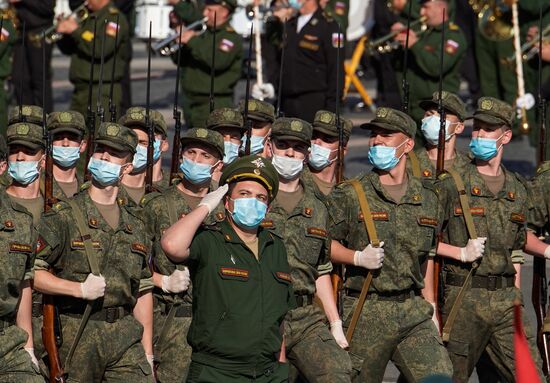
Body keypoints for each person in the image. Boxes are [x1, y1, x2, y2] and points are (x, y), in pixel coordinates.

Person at [327, 107, 453, 381]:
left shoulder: (429, 197)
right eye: (374, 135)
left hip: (412, 309)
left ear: (407, 144)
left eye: (387, 135)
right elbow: (326, 245)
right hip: (366, 309)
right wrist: (357, 257)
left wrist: (430, 304)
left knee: (439, 376)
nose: (377, 141)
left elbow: (427, 254)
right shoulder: (350, 193)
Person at [33, 122, 155, 381]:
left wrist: (147, 352)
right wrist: (77, 289)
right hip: (78, 332)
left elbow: (143, 289)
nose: (104, 157)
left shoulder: (137, 223)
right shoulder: (63, 216)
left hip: (124, 333)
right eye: (100, 151)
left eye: (113, 154)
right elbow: (33, 274)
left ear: (127, 168)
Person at [436, 97, 544, 382]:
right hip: (464, 298)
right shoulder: (450, 184)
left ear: (506, 136)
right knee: (450, 377)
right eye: (477, 129)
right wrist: (458, 252)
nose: (480, 135)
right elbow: (421, 240)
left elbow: (519, 244)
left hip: (507, 302)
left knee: (530, 377)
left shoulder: (518, 189)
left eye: (488, 130)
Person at [161, 154, 294, 382]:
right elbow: (172, 245)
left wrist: (280, 362)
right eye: (244, 194)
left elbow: (278, 316)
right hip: (217, 371)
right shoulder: (210, 240)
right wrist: (205, 206)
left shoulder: (276, 246)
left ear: (268, 207)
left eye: (261, 197)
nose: (253, 201)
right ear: (227, 201)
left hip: (268, 372)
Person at [264, 117, 352, 382]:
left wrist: (335, 323)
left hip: (304, 316)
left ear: (307, 153)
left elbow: (321, 269)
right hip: (261, 315)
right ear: (270, 147)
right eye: (282, 145)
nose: (290, 153)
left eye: (297, 147)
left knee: (337, 371)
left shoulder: (318, 206)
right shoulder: (253, 196)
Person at [141, 127, 225, 382]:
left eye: (205, 156)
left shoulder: (228, 204)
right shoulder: (156, 205)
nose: (196, 161)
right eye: (191, 153)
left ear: (217, 164)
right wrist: (162, 281)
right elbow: (134, 266)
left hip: (219, 322)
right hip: (171, 322)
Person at [0, 133, 43, 382]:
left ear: (3, 167)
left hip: (7, 337)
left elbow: (24, 283)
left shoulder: (21, 221)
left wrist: (28, 346)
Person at [264, 0, 344, 122]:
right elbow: (276, 59)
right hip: (287, 100)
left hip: (314, 101)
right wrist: (272, 84)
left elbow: (336, 71)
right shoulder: (289, 24)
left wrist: (332, 108)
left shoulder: (329, 26)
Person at [392, 0, 466, 124]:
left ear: (440, 7)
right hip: (413, 105)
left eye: (426, 7)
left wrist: (415, 44)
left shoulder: (453, 36)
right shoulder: (424, 31)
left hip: (436, 107)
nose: (421, 12)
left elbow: (436, 67)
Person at [56, 0, 130, 120]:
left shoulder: (114, 19)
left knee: (99, 135)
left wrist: (75, 31)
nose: (85, 1)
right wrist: (63, 33)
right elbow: (70, 49)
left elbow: (101, 49)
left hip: (102, 91)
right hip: (81, 89)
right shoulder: (87, 17)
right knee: (76, 135)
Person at [173, 0, 242, 128]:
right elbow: (180, 61)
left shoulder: (229, 37)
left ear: (224, 12)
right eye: (205, 9)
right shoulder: (203, 33)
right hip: (191, 103)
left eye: (210, 10)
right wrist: (179, 44)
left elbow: (218, 61)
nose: (205, 13)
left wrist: (192, 41)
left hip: (213, 104)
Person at [118, 107, 171, 209]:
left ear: (164, 145)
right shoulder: (106, 186)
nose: (135, 147)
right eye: (130, 140)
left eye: (143, 142)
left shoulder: (173, 187)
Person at [411, 90, 471, 179]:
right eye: (428, 115)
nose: (433, 119)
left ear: (458, 127)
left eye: (442, 116)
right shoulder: (409, 163)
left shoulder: (470, 166)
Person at [11, 0, 55, 114]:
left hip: (40, 30)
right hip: (21, 32)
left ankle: (44, 121)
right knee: (19, 78)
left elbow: (48, 8)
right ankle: (26, 119)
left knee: (40, 79)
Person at [307, 109, 352, 195]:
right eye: (313, 136)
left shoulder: (348, 191)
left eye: (327, 139)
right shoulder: (295, 182)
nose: (317, 142)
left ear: (343, 150)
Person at [47, 111, 88, 198]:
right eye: (58, 137)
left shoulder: (89, 188)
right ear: (48, 143)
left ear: (82, 145)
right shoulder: (37, 185)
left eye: (72, 138)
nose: (65, 143)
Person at [206, 107, 245, 181]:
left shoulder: (245, 172)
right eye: (221, 136)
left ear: (240, 143)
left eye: (233, 137)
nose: (228, 142)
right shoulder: (199, 172)